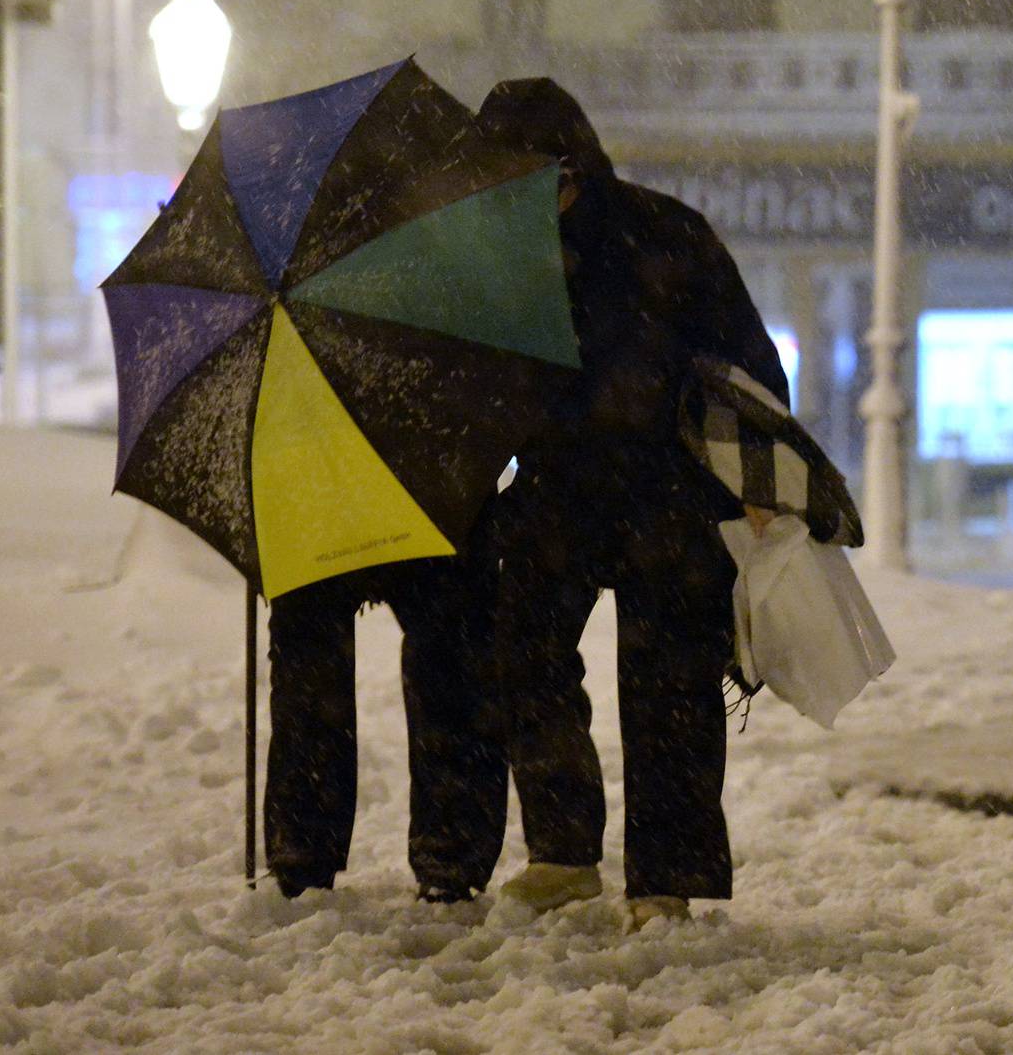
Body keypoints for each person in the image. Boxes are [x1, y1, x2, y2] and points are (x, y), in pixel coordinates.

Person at [474, 78, 787, 925]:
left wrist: (753, 488)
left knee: (670, 687)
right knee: (525, 657)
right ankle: (564, 851)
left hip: (667, 495)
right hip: (554, 492)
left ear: (574, 166)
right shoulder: (495, 262)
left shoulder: (667, 235)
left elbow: (753, 373)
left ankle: (665, 878)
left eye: (539, 181)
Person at [263, 553, 505, 902]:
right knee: (453, 635)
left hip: (318, 515)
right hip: (426, 510)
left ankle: (303, 846)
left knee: (309, 649)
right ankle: (452, 848)